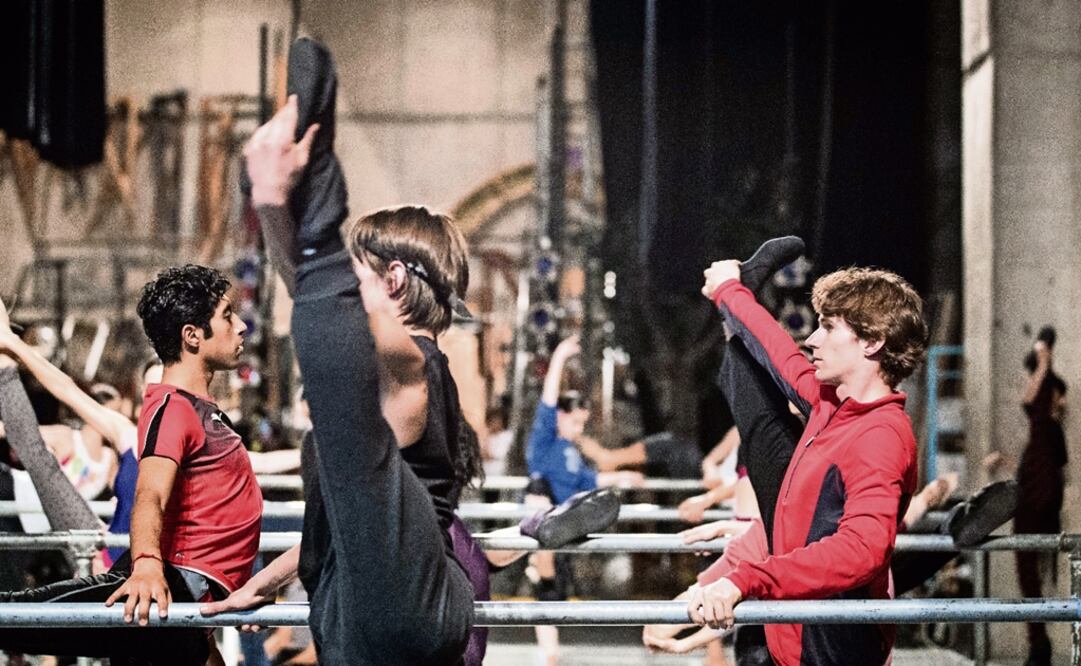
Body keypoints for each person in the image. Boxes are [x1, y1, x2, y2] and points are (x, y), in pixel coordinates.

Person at [0, 264, 258, 665]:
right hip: (155, 589)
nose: (240, 326)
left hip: (181, 600)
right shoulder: (173, 409)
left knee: (17, 616)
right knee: (15, 614)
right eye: (227, 316)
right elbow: (150, 494)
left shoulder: (201, 411)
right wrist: (148, 566)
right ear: (192, 336)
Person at [689, 254, 928, 665]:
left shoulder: (881, 436)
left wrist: (747, 579)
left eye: (829, 327)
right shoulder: (831, 404)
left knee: (763, 424)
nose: (813, 339)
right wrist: (731, 292)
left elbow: (861, 550)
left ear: (872, 342)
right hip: (794, 637)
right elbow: (779, 352)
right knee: (757, 402)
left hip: (832, 649)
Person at [1016, 326, 1067, 666]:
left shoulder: (1047, 424)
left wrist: (1044, 359)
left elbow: (1030, 400)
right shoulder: (1044, 432)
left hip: (1041, 494)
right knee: (1028, 570)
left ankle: (1039, 643)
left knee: (1030, 566)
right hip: (1036, 489)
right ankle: (1038, 643)